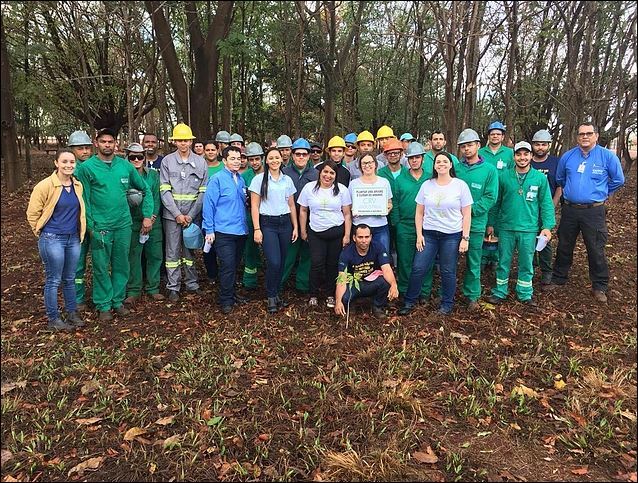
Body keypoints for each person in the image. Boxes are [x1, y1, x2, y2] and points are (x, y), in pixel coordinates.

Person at [75, 128, 153, 320]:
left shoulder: (125, 166)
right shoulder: (87, 168)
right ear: (97, 143)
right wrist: (91, 226)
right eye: (103, 142)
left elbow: (146, 189)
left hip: (123, 225)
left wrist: (147, 215)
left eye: (111, 141)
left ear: (115, 143)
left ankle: (117, 301)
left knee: (121, 264)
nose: (107, 145)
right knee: (101, 266)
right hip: (100, 226)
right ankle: (103, 305)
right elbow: (84, 199)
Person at [545, 122, 625, 303]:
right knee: (565, 245)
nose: (585, 137)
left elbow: (618, 180)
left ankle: (599, 286)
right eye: (581, 134)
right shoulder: (568, 156)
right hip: (570, 209)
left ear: (596, 135)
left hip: (593, 212)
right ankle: (559, 278)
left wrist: (602, 192)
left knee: (595, 248)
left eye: (589, 133)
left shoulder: (606, 157)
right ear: (577, 137)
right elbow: (560, 179)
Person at [399, 151, 472, 315]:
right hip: (429, 234)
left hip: (451, 235)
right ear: (434, 165)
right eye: (438, 162)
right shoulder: (427, 185)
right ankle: (410, 301)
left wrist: (465, 238)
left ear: (451, 164)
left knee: (448, 270)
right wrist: (419, 235)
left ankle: (447, 304)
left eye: (445, 161)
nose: (441, 164)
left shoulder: (460, 185)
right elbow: (419, 212)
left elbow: (467, 214)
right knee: (418, 268)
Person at [486, 142, 555, 305]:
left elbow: (546, 203)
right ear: (514, 156)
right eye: (518, 154)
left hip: (529, 228)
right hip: (506, 226)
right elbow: (496, 202)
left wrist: (547, 226)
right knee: (503, 261)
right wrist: (491, 223)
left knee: (526, 262)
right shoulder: (503, 177)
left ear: (531, 156)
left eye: (526, 154)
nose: (522, 158)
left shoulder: (539, 178)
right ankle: (500, 290)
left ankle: (524, 293)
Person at [27, 148, 87, 331]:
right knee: (54, 279)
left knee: (70, 277)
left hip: (73, 238)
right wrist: (42, 233)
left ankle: (72, 312)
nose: (69, 165)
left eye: (71, 162)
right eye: (65, 162)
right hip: (52, 238)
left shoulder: (77, 185)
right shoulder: (45, 186)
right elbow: (32, 213)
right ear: (56, 163)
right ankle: (53, 319)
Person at [160, 123, 208, 301]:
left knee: (190, 251)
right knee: (172, 252)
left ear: (191, 141)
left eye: (186, 140)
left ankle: (192, 284)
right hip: (172, 217)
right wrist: (177, 214)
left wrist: (191, 214)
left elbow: (203, 191)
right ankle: (173, 287)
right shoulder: (167, 161)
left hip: (192, 216)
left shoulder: (201, 162)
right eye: (179, 140)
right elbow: (164, 190)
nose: (183, 143)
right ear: (174, 142)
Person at [249, 147, 298, 313]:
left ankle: (277, 294)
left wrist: (296, 226)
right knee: (274, 261)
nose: (275, 160)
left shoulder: (287, 180)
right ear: (266, 160)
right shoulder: (258, 180)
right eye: (271, 158)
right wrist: (257, 228)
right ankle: (270, 295)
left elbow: (291, 205)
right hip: (268, 224)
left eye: (277, 157)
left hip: (285, 223)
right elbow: (254, 206)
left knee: (282, 261)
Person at [455, 128, 499, 311]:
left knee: (474, 260)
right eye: (463, 146)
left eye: (470, 145)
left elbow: (490, 197)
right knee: (449, 260)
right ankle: (447, 293)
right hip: (453, 222)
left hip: (476, 223)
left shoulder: (489, 170)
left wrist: (469, 211)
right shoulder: (456, 169)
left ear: (478, 146)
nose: (466, 149)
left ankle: (472, 295)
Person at [299, 160, 352, 308]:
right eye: (325, 172)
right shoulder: (309, 188)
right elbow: (303, 210)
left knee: (332, 264)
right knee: (316, 263)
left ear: (335, 175)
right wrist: (303, 230)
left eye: (332, 173)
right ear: (320, 172)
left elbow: (347, 214)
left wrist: (347, 235)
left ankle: (330, 294)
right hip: (316, 232)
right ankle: (313, 294)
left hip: (336, 231)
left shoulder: (342, 190)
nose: (328, 176)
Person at [203, 146, 249, 314]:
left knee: (235, 265)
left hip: (240, 230)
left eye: (238, 158)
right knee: (227, 265)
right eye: (232, 158)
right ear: (224, 160)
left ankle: (232, 294)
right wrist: (209, 230)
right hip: (223, 231)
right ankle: (225, 300)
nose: (236, 161)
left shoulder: (241, 179)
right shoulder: (217, 179)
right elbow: (209, 205)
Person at [122, 143, 164, 305]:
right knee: (133, 256)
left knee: (155, 255)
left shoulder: (153, 175)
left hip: (153, 223)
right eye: (133, 157)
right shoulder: (124, 175)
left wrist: (151, 218)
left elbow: (156, 197)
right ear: (127, 157)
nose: (137, 160)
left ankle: (153, 288)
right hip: (132, 222)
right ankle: (134, 289)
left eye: (140, 156)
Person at [391, 141, 432, 300]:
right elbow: (394, 201)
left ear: (423, 158)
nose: (414, 160)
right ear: (407, 160)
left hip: (427, 226)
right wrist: (397, 222)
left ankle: (424, 291)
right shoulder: (400, 179)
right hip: (405, 226)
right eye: (411, 158)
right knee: (405, 260)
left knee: (424, 261)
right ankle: (405, 289)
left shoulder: (430, 178)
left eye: (417, 157)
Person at [335, 224, 399, 319]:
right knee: (344, 298)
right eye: (360, 237)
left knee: (386, 282)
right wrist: (338, 301)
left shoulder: (378, 247)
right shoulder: (346, 253)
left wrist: (394, 285)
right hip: (353, 284)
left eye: (366, 237)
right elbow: (341, 279)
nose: (364, 241)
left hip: (371, 281)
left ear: (371, 237)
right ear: (354, 238)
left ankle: (377, 306)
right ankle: (351, 304)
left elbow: (386, 269)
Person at [281, 138, 319, 293]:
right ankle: (279, 285)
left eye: (304, 154)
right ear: (292, 155)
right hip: (288, 221)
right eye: (298, 154)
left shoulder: (317, 174)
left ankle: (302, 285)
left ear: (309, 156)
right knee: (288, 255)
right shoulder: (284, 173)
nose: (301, 157)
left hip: (311, 221)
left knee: (308, 255)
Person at [479, 121, 514, 270]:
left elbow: (513, 173)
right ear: (488, 136)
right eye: (492, 134)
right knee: (484, 224)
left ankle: (496, 258)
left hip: (502, 195)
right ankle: (483, 257)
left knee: (499, 226)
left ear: (502, 136)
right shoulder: (481, 152)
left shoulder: (509, 153)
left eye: (498, 134)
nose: (495, 136)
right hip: (484, 194)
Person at [530, 129, 562, 285]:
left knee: (544, 241)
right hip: (528, 208)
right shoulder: (527, 160)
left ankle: (546, 271)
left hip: (545, 208)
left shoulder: (555, 162)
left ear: (549, 145)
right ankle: (529, 267)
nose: (540, 147)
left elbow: (559, 186)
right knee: (528, 239)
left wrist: (552, 205)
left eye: (543, 144)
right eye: (537, 144)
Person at [67, 130, 93, 312]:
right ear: (72, 149)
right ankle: (77, 298)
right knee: (77, 263)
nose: (84, 151)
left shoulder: (96, 167)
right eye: (80, 148)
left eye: (87, 148)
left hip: (98, 221)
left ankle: (102, 295)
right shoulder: (68, 170)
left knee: (101, 261)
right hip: (76, 224)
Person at [349, 153, 393, 253]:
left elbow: (390, 203)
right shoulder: (353, 184)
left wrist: (386, 209)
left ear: (375, 164)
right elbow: (349, 206)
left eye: (370, 162)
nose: (367, 165)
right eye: (364, 163)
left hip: (380, 226)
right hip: (360, 227)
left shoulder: (384, 182)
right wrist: (354, 210)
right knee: (362, 258)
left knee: (383, 256)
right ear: (360, 166)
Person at [241, 142, 266, 290]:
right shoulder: (245, 176)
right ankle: (250, 280)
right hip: (250, 214)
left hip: (268, 215)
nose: (254, 162)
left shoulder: (270, 173)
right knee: (250, 246)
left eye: (257, 159)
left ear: (262, 158)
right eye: (251, 159)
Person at [202, 140, 224, 284]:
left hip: (222, 213)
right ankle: (212, 274)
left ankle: (224, 274)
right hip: (204, 209)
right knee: (208, 244)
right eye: (207, 149)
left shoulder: (224, 167)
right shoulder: (200, 166)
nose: (210, 152)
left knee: (222, 245)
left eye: (213, 149)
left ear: (218, 151)